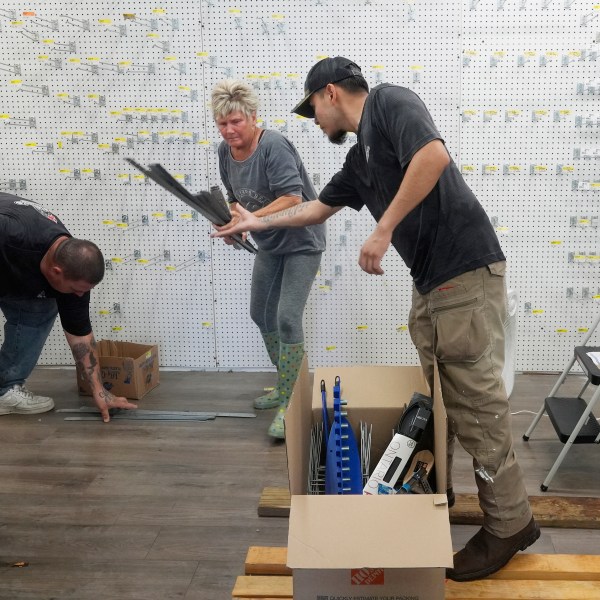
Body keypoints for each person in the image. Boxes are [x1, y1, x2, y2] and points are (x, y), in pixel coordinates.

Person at [213, 57, 539, 580]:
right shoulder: (359, 163)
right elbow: (317, 209)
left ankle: (509, 523)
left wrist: (383, 228)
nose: (314, 121)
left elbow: (432, 156)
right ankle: (443, 495)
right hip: (433, 283)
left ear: (331, 93)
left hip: (464, 271)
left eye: (313, 108)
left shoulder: (390, 102)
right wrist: (258, 219)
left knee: (476, 407)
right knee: (441, 399)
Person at [211, 79, 326, 439]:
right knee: (260, 312)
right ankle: (285, 384)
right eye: (222, 123)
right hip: (270, 242)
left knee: (287, 317)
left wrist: (254, 220)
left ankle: (291, 402)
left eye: (236, 122)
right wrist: (234, 222)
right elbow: (234, 198)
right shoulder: (224, 152)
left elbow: (293, 198)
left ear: (253, 118)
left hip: (302, 240)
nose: (229, 130)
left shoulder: (273, 146)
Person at [0, 192, 137, 423]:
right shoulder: (12, 234)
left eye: (84, 290)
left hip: (13, 270)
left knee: (41, 309)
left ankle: (5, 390)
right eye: (76, 290)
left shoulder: (75, 270)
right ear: (56, 272)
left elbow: (80, 335)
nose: (80, 295)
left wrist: (99, 391)